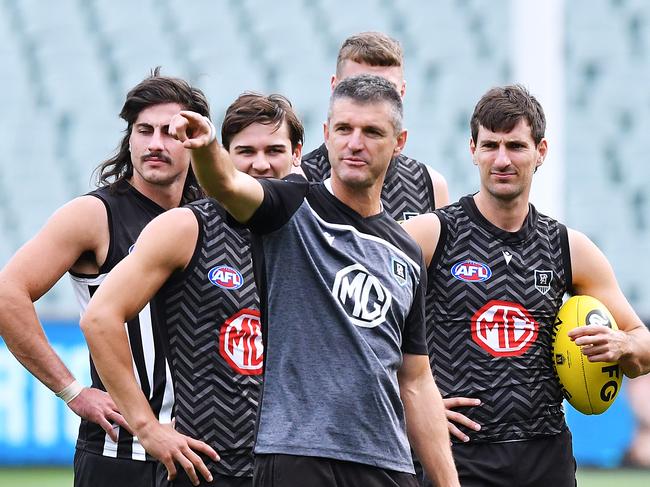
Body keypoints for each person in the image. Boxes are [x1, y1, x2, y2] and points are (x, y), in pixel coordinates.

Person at [168, 74, 459, 487]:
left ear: (399, 141)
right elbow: (229, 185)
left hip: (387, 463)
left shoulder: (407, 252)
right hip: (298, 456)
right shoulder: (290, 205)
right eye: (343, 129)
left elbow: (415, 379)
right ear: (327, 133)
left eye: (372, 132)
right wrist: (206, 147)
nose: (354, 143)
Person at [402, 84, 650, 487]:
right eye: (490, 145)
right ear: (472, 150)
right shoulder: (431, 235)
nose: (502, 159)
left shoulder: (569, 247)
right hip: (459, 454)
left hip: (544, 454)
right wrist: (410, 401)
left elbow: (644, 346)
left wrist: (622, 344)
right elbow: (358, 329)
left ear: (541, 151)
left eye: (515, 146)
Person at [80, 93, 304, 487]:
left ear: (297, 154)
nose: (261, 163)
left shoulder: (314, 230)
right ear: (222, 156)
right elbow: (99, 317)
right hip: (207, 466)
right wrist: (147, 428)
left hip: (296, 462)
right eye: (245, 151)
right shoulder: (188, 226)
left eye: (274, 149)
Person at [0, 69, 211, 487]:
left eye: (171, 132)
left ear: (194, 139)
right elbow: (8, 293)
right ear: (129, 138)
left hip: (204, 451)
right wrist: (72, 390)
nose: (155, 143)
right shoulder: (96, 215)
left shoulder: (211, 216)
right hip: (121, 456)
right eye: (143, 130)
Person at [301, 31, 449, 220]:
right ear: (334, 86)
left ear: (402, 92)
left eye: (386, 89)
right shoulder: (299, 179)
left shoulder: (430, 185)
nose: (369, 97)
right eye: (354, 86)